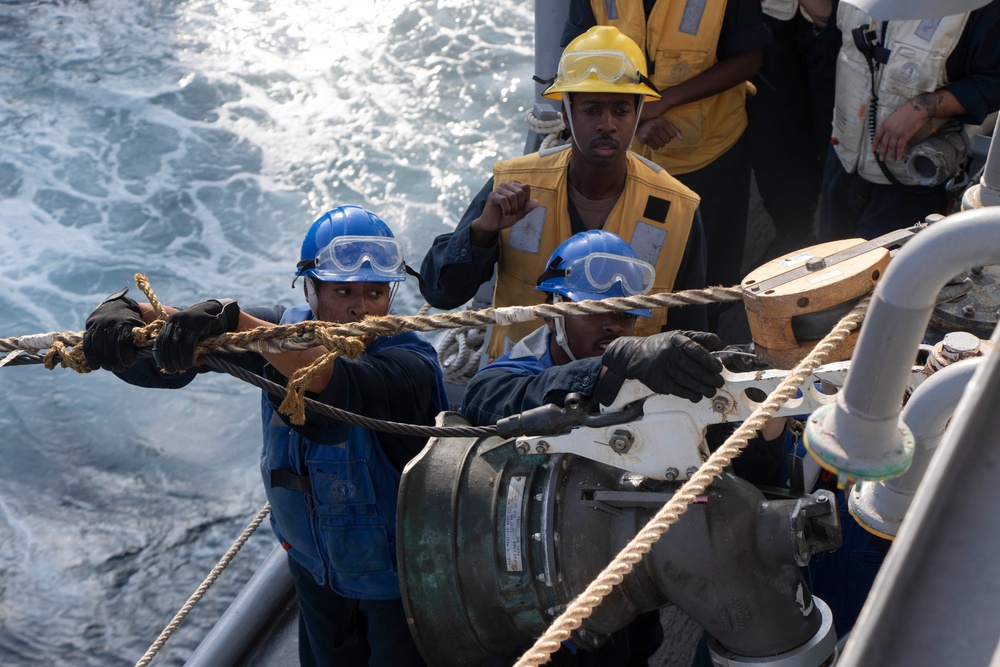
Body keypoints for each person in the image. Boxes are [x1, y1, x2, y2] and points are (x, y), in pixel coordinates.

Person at [82, 205, 448, 667]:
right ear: (309, 289)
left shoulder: (411, 366)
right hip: (314, 569)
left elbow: (334, 387)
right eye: (343, 291)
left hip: (402, 587)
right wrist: (127, 315)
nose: (362, 307)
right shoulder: (276, 331)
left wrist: (235, 324)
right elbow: (177, 351)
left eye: (377, 291)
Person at [463, 230, 727, 667]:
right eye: (596, 311)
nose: (613, 325)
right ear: (553, 314)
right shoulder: (516, 369)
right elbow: (484, 398)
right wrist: (606, 369)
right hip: (542, 581)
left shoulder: (649, 374)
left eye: (625, 317)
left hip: (626, 580)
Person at [420, 26, 710, 362]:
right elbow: (440, 295)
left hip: (625, 392)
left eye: (621, 111)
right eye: (591, 110)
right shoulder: (514, 183)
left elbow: (689, 324)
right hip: (518, 387)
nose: (607, 124)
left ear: (638, 114)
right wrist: (482, 232)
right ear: (566, 115)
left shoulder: (678, 208)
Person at [562, 0, 771, 323]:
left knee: (709, 273)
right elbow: (579, 60)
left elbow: (748, 59)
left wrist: (664, 102)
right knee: (636, 264)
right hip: (626, 155)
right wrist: (637, 120)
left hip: (708, 152)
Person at [817, 0, 1000, 241]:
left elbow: (992, 82)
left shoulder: (982, 6)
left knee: (885, 274)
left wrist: (922, 107)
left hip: (910, 183)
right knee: (828, 267)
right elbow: (833, 31)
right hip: (842, 161)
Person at [748, 0, 840, 259]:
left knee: (838, 138)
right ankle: (793, 234)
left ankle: (843, 238)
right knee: (774, 140)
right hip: (767, 22)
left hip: (843, 25)